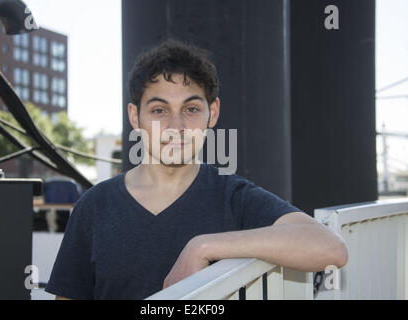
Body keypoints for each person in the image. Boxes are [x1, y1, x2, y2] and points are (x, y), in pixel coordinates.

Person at [45, 39, 348, 300]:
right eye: (159, 110)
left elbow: (330, 248)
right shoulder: (95, 207)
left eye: (191, 109)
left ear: (211, 113)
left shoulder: (234, 198)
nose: (176, 127)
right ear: (135, 117)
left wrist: (203, 246)